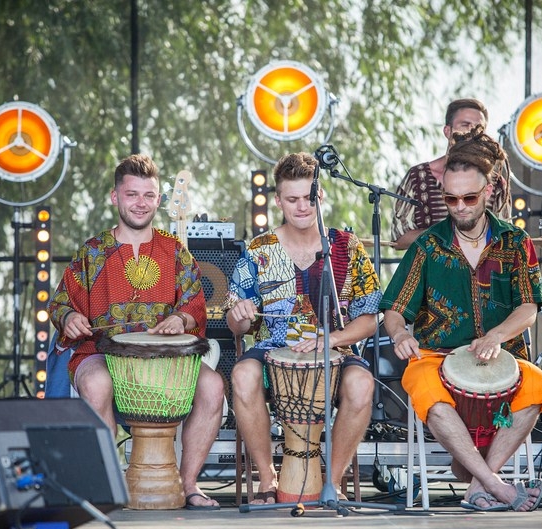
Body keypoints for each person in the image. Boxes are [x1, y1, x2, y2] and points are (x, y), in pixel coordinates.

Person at [380, 127, 542, 512]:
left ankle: (477, 485)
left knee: (537, 384)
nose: (460, 207)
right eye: (451, 199)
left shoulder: (515, 243)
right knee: (422, 385)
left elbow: (528, 308)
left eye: (469, 198)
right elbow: (395, 309)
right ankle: (495, 485)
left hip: (504, 355)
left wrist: (496, 335)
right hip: (436, 357)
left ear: (488, 191)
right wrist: (399, 334)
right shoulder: (428, 245)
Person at [48, 153, 223, 510]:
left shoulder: (174, 251)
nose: (140, 203)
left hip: (165, 359)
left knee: (213, 386)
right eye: (132, 194)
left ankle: (188, 484)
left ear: (158, 200)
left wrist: (181, 319)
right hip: (100, 353)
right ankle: (107, 486)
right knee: (97, 384)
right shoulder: (92, 252)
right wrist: (69, 318)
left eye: (148, 195)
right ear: (115, 197)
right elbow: (60, 303)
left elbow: (195, 304)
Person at [226, 152, 380, 505]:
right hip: (272, 351)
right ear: (278, 201)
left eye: (308, 198)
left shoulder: (347, 246)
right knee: (243, 376)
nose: (302, 207)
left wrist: (332, 339)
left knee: (361, 384)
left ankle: (333, 482)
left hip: (336, 350)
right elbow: (236, 323)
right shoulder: (259, 249)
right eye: (292, 199)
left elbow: (370, 319)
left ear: (320, 196)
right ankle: (267, 478)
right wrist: (241, 313)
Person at [390, 98, 511, 250]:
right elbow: (399, 239)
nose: (472, 131)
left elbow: (506, 238)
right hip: (429, 265)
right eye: (465, 125)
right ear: (447, 131)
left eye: (479, 127)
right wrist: (445, 234)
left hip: (480, 265)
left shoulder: (496, 182)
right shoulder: (417, 176)